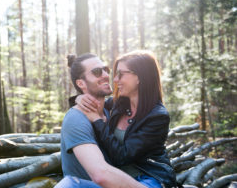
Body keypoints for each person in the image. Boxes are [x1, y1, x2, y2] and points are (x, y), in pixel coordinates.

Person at [76, 50, 177, 188]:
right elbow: (94, 101)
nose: (115, 80)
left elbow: (122, 156)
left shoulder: (158, 116)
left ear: (140, 77)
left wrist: (97, 121)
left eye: (121, 74)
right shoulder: (119, 103)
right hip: (119, 181)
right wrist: (79, 97)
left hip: (150, 179)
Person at [55, 54, 146, 188]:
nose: (105, 75)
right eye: (97, 72)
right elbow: (100, 174)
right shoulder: (76, 119)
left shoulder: (110, 112)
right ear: (81, 83)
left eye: (106, 69)